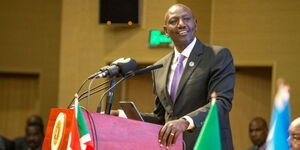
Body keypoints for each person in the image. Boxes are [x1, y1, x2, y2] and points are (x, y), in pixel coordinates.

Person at [140, 4, 235, 150]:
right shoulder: (159, 67)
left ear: (195, 24)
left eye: (186, 19)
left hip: (208, 144)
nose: (181, 24)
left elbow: (221, 103)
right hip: (173, 146)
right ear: (166, 31)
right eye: (174, 21)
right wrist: (123, 115)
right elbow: (162, 118)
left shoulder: (217, 56)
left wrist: (185, 121)